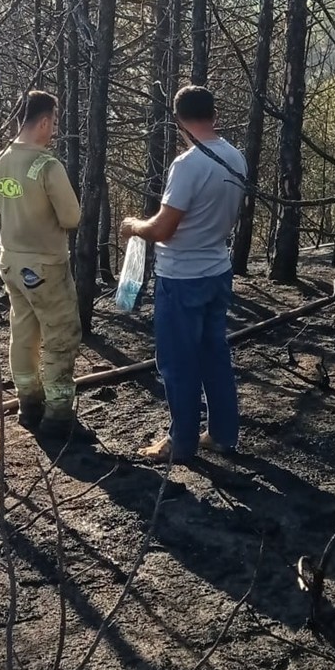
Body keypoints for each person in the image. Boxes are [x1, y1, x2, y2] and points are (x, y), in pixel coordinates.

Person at [120, 84, 247, 462]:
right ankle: (223, 434)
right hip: (217, 271)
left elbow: (163, 228)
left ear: (179, 120)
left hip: (182, 277)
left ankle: (183, 442)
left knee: (177, 362)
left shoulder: (188, 164)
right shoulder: (234, 158)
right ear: (214, 115)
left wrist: (132, 226)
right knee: (214, 355)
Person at [0, 90, 83, 436]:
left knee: (23, 334)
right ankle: (58, 415)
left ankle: (28, 404)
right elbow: (71, 216)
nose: (53, 129)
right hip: (47, 268)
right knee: (59, 337)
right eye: (53, 122)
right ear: (42, 122)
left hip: (11, 264)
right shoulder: (47, 166)